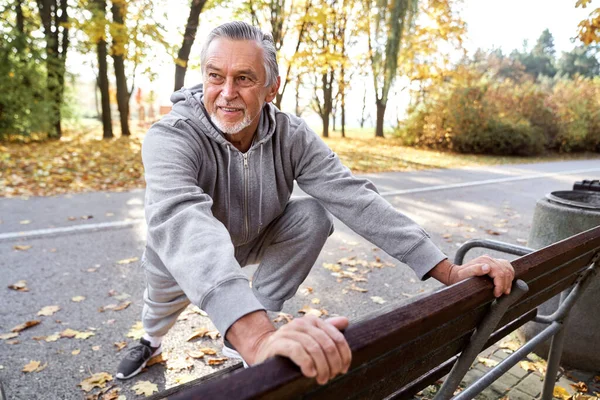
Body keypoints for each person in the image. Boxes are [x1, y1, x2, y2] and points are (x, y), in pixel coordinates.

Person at [116, 21, 515, 384]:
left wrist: (447, 271)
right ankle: (151, 341)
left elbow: (354, 197)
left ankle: (254, 323)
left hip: (255, 235)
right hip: (184, 255)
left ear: (272, 88)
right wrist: (255, 337)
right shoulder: (172, 136)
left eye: (244, 79)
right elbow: (183, 222)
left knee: (313, 215)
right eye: (215, 77)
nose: (227, 93)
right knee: (159, 310)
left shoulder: (291, 135)